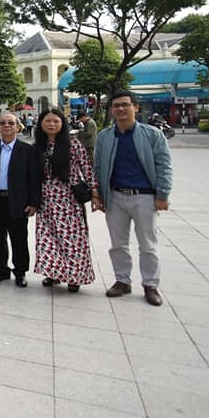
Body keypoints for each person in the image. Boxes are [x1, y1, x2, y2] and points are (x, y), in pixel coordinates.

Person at [92, 91, 172, 306]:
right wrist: (98, 194)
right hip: (116, 196)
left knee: (148, 245)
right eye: (116, 105)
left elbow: (164, 166)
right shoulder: (105, 136)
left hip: (144, 197)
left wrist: (162, 195)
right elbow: (98, 167)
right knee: (118, 244)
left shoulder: (152, 134)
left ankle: (150, 284)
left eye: (125, 105)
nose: (120, 109)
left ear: (135, 107)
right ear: (112, 109)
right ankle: (122, 280)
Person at [33, 108, 97, 292]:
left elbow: (87, 168)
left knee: (73, 239)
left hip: (69, 200)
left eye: (56, 121)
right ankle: (55, 273)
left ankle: (75, 276)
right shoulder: (38, 146)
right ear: (41, 124)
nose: (52, 124)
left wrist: (95, 194)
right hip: (46, 200)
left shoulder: (74, 145)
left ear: (62, 124)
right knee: (48, 238)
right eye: (48, 121)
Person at [0, 111, 40, 287]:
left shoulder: (27, 150)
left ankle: (20, 272)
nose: (6, 126)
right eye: (3, 123)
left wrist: (33, 202)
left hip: (17, 201)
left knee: (19, 238)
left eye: (10, 123)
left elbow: (34, 178)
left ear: (17, 126)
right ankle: (1, 269)